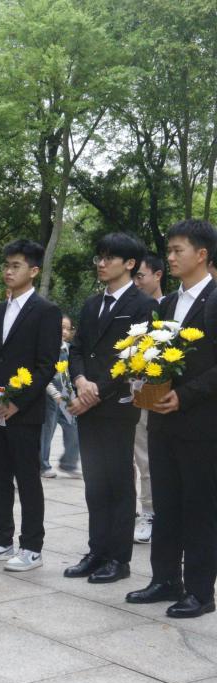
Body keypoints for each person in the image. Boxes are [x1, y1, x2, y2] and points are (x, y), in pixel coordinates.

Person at [127, 219, 217, 619]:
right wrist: (140, 380)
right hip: (161, 421)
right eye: (169, 250)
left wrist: (185, 394)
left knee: (199, 508)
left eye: (179, 250)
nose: (171, 257)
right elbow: (154, 357)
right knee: (165, 505)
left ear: (202, 254)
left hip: (201, 425)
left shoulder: (214, 299)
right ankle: (165, 579)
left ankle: (200, 591)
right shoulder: (164, 305)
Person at [65, 233, 158, 584]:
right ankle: (97, 551)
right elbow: (76, 348)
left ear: (129, 263)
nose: (101, 264)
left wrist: (95, 391)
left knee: (118, 482)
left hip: (117, 406)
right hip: (89, 403)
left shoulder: (142, 305)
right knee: (94, 482)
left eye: (109, 258)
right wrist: (79, 381)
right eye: (98, 257)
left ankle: (119, 559)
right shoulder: (91, 304)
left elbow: (135, 360)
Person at [0, 239, 61, 572]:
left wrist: (17, 403)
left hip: (24, 411)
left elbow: (46, 365)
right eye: (6, 265)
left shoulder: (46, 312)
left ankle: (32, 547)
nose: (8, 271)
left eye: (16, 266)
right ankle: (1, 538)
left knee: (27, 478)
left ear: (33, 270)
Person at [131, 252, 165, 542]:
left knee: (148, 459)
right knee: (135, 455)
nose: (137, 282)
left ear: (158, 275)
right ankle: (137, 510)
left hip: (162, 394)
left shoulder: (170, 308)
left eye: (140, 276)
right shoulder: (133, 309)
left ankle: (151, 512)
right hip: (134, 392)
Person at [39, 315, 80, 479]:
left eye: (67, 328)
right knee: (47, 431)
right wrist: (55, 394)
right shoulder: (47, 349)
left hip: (67, 395)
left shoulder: (70, 349)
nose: (64, 331)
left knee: (74, 428)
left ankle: (68, 463)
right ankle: (42, 465)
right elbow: (44, 375)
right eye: (61, 327)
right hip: (50, 396)